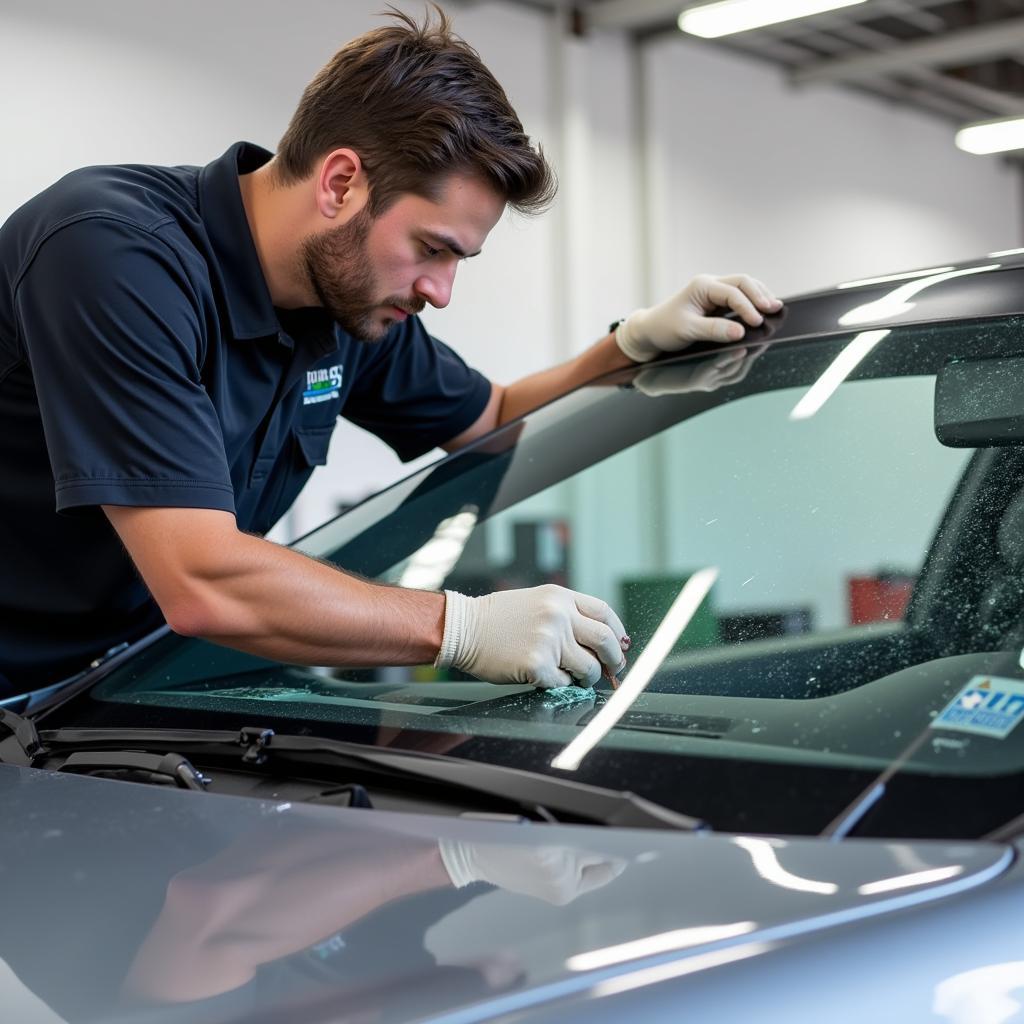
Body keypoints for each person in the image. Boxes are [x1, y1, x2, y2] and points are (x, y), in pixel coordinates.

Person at [0, 6, 780, 697]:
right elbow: (204, 581)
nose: (440, 292)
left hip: (113, 690)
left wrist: (628, 346)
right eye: (431, 249)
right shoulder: (113, 255)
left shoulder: (345, 307)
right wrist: (460, 628)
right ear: (341, 183)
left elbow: (493, 419)